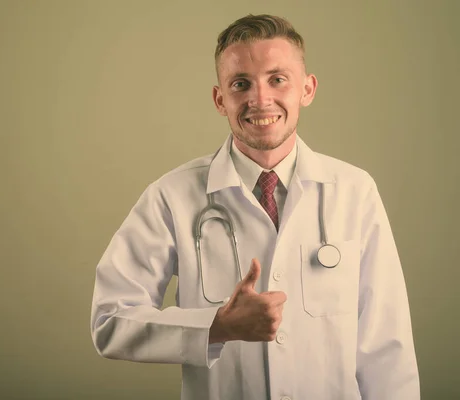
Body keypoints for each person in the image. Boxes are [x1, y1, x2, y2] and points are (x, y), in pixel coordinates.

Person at [90, 14, 420, 400]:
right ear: (220, 99)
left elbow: (386, 347)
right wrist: (217, 327)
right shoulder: (172, 196)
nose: (260, 99)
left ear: (307, 89)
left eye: (277, 79)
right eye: (240, 84)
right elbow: (109, 321)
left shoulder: (354, 191)